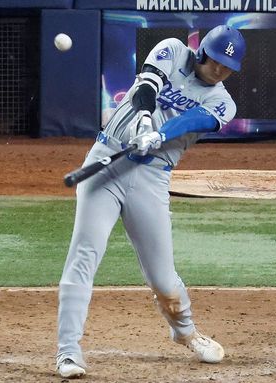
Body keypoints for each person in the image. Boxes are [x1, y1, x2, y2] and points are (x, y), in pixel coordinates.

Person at [55, 25, 246, 379]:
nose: (220, 70)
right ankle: (68, 352)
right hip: (106, 161)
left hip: (152, 178)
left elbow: (196, 119)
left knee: (162, 278)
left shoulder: (223, 102)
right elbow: (146, 86)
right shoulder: (173, 50)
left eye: (227, 67)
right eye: (216, 60)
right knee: (84, 254)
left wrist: (158, 134)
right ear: (203, 50)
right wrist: (143, 117)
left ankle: (186, 332)